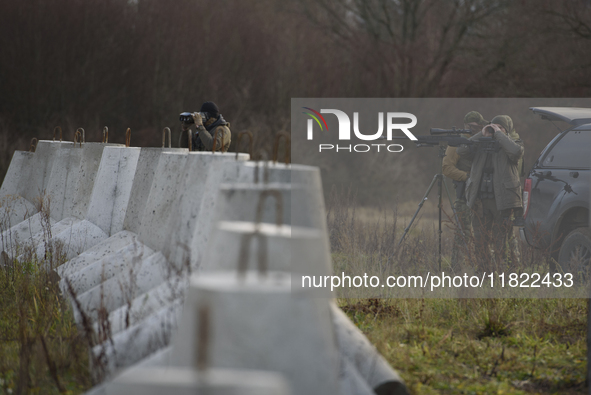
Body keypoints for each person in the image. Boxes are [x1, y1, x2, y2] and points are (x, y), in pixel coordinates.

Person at [457, 115, 524, 270]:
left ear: (507, 130)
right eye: (494, 126)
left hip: (502, 201)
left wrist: (499, 136)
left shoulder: (513, 144)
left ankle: (506, 274)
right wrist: (482, 134)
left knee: (502, 240)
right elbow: (461, 150)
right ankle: (484, 273)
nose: (496, 130)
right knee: (480, 240)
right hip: (481, 200)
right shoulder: (481, 144)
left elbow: (516, 152)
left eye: (500, 128)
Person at [442, 111, 488, 272]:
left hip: (483, 195)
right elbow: (447, 168)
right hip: (465, 195)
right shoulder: (457, 142)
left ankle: (482, 269)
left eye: (480, 126)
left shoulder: (483, 139)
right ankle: (456, 269)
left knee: (483, 233)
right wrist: (468, 177)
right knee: (463, 234)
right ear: (467, 126)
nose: (478, 129)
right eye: (475, 126)